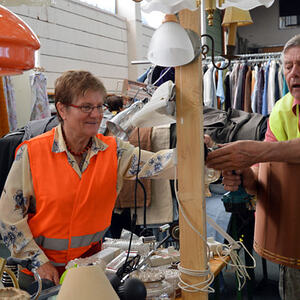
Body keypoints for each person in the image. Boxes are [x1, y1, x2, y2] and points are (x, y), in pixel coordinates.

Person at [0, 70, 175, 286]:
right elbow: (8, 218)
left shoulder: (113, 151)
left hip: (87, 268)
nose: (96, 114)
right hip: (40, 273)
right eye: (86, 107)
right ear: (62, 109)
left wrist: (198, 152)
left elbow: (158, 164)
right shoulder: (32, 153)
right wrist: (38, 262)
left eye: (99, 106)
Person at [206, 34, 300, 300]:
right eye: (289, 66)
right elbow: (266, 173)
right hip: (293, 241)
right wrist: (244, 172)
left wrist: (259, 151)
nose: (294, 72)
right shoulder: (281, 110)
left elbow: (270, 154)